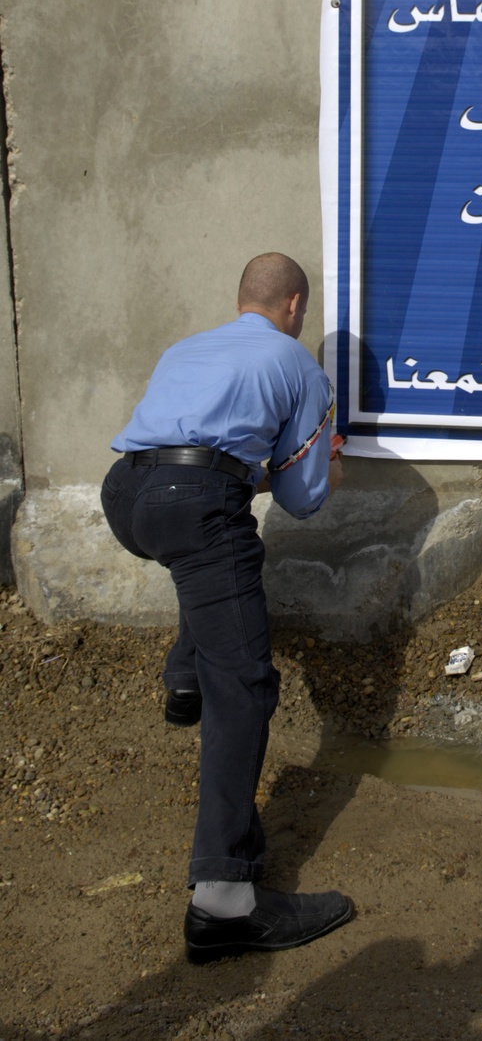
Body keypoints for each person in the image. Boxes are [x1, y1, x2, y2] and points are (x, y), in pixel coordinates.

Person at [100, 252, 355, 963]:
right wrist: (325, 464)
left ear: (242, 299)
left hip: (123, 496)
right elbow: (303, 500)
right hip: (194, 506)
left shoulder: (188, 347)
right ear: (295, 308)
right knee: (243, 685)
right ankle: (224, 901)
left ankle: (183, 680)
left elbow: (184, 446)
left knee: (214, 573)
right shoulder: (300, 366)